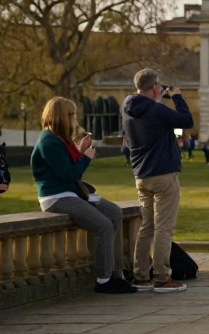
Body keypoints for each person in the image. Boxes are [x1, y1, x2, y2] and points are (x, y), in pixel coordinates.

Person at [29, 98, 133, 293]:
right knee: (104, 226)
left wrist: (80, 150)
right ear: (62, 117)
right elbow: (68, 174)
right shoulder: (48, 141)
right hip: (56, 197)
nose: (76, 118)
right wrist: (86, 158)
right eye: (73, 115)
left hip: (71, 193)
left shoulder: (59, 139)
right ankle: (104, 280)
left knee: (114, 212)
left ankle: (118, 271)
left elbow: (65, 168)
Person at [122, 69, 193, 293]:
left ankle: (141, 276)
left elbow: (159, 124)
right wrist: (177, 96)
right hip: (163, 174)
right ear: (154, 87)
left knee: (147, 227)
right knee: (164, 228)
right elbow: (186, 120)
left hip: (141, 175)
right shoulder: (157, 109)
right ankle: (162, 277)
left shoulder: (128, 108)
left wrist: (158, 99)